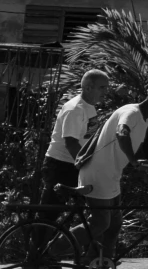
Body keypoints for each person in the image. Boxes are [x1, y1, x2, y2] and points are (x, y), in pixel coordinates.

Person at [75, 82, 148, 269]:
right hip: (98, 174)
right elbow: (121, 133)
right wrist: (132, 161)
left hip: (111, 175)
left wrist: (137, 160)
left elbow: (127, 141)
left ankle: (96, 267)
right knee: (100, 223)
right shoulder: (131, 113)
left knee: (114, 223)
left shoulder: (144, 118)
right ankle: (51, 251)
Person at [40, 69, 109, 205]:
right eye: (102, 88)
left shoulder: (89, 106)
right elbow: (71, 143)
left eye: (106, 87)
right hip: (61, 166)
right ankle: (37, 226)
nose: (105, 92)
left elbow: (88, 137)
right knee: (49, 213)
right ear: (88, 88)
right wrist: (88, 166)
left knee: (80, 210)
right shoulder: (76, 109)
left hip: (74, 164)